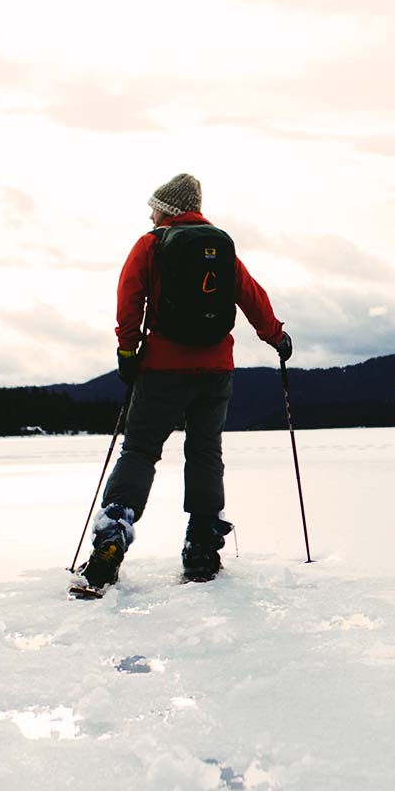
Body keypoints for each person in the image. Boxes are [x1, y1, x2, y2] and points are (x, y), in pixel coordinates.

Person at [79, 173, 291, 587]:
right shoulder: (220, 247)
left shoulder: (152, 244)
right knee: (205, 452)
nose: (151, 213)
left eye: (154, 207)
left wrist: (127, 351)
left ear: (168, 209)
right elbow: (251, 295)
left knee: (140, 450)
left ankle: (114, 534)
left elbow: (129, 296)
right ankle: (201, 546)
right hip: (216, 370)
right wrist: (276, 336)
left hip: (162, 368)